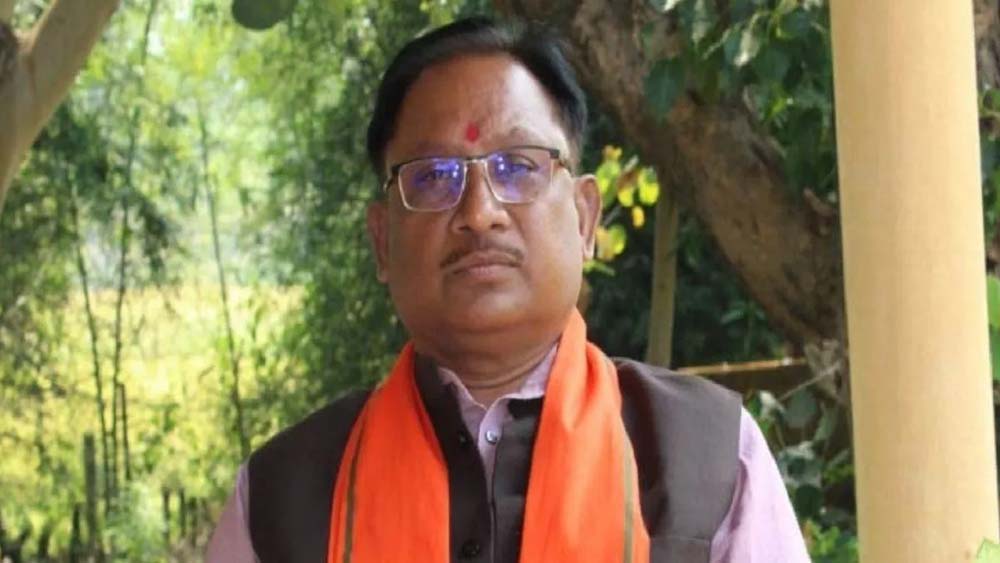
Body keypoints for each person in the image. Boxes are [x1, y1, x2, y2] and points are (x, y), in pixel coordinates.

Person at [207, 17, 810, 563]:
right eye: (434, 177)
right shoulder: (282, 496)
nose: (479, 213)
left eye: (518, 167)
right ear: (383, 241)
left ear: (584, 219)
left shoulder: (709, 455)